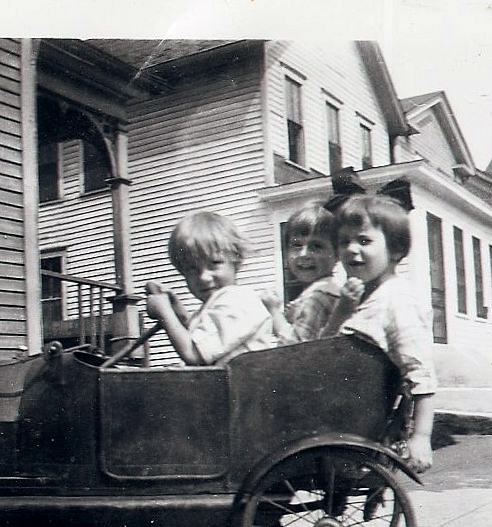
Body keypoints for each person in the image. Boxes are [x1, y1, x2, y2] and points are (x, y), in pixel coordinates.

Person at [321, 193, 437, 475]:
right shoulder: (361, 296)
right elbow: (322, 351)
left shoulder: (397, 300)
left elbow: (420, 371)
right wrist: (341, 311)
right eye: (344, 241)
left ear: (395, 250)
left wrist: (421, 437)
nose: (350, 249)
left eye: (363, 240)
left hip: (355, 414)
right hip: (334, 403)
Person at [145, 210, 275, 366]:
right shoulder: (219, 303)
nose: (203, 277)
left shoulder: (238, 300)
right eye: (192, 269)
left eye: (214, 263)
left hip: (243, 388)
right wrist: (178, 312)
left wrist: (164, 313)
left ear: (236, 260)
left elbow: (194, 354)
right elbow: (201, 336)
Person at [260, 201, 345, 344]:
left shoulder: (319, 296)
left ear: (337, 254)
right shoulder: (325, 291)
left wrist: (273, 311)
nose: (304, 254)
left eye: (316, 246)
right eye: (296, 245)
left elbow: (296, 348)